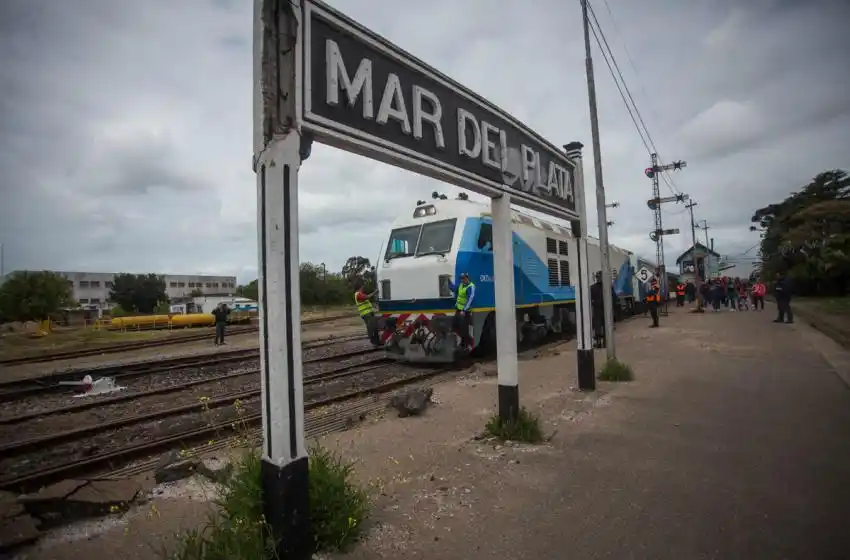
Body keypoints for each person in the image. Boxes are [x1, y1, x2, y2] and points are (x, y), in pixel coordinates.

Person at [448, 272, 475, 349]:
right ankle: (458, 342)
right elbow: (454, 289)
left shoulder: (471, 286)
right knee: (454, 325)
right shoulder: (460, 286)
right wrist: (449, 283)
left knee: (464, 328)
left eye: (464, 278)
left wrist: (464, 310)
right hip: (458, 310)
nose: (463, 280)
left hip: (464, 312)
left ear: (468, 278)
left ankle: (465, 345)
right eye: (462, 279)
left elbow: (470, 299)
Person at [590, 271, 605, 348]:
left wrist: (593, 303)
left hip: (597, 309)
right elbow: (614, 298)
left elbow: (590, 299)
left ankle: (599, 343)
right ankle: (605, 343)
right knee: (605, 326)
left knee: (597, 326)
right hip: (605, 310)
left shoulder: (592, 287)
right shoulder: (607, 287)